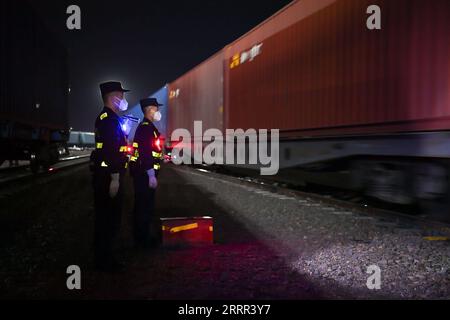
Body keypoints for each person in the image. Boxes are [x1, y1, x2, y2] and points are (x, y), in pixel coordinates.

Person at [91, 81, 130, 272]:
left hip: (106, 175)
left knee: (106, 219)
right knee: (109, 219)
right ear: (113, 97)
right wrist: (115, 177)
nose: (123, 99)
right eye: (121, 95)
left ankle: (104, 257)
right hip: (108, 177)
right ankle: (105, 261)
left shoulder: (108, 117)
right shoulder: (109, 119)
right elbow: (110, 150)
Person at [129, 98, 164, 248]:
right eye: (156, 109)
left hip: (144, 173)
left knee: (145, 206)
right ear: (150, 109)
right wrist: (150, 174)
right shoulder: (146, 127)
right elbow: (145, 153)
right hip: (144, 174)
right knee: (144, 207)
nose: (158, 112)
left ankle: (144, 238)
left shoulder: (148, 127)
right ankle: (143, 241)